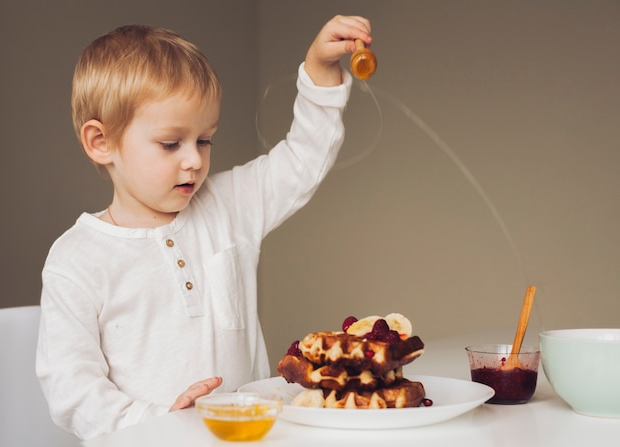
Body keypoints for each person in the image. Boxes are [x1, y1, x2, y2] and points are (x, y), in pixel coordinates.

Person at [36, 15, 372, 440]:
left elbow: (302, 160)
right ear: (101, 143)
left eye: (204, 140)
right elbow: (72, 388)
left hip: (252, 437)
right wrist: (155, 421)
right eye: (171, 143)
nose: (194, 160)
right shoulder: (76, 260)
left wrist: (321, 75)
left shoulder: (228, 206)